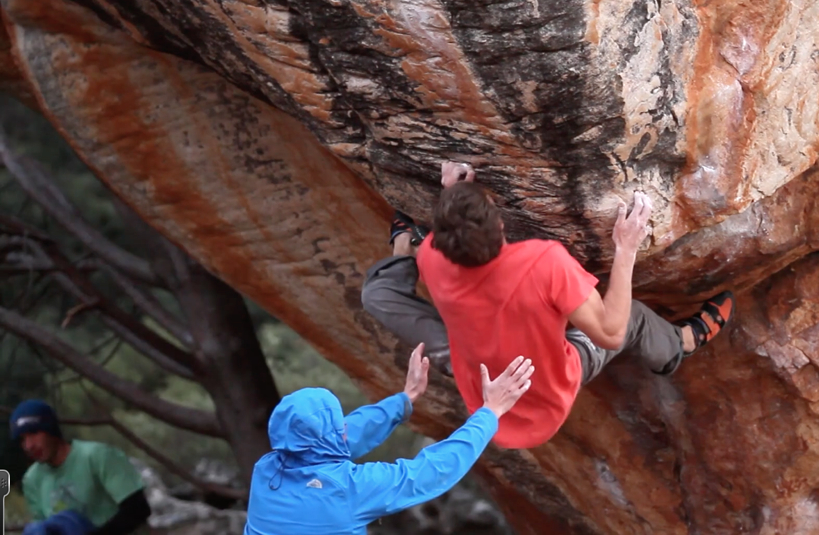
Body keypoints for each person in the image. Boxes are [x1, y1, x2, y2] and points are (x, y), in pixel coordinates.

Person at [362, 162, 736, 449]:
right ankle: (679, 344)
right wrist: (626, 249)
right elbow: (610, 333)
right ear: (501, 229)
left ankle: (402, 247)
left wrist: (453, 196)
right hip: (541, 397)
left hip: (482, 386)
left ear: (438, 239)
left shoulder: (431, 258)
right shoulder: (543, 264)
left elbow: (449, 236)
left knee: (377, 295)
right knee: (631, 318)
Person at [242, 342, 534, 535]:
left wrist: (404, 401)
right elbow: (430, 471)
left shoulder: (267, 470)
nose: (345, 428)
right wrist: (490, 412)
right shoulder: (350, 490)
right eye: (338, 424)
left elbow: (338, 438)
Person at [9, 399, 152, 535]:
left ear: (51, 430)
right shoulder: (32, 479)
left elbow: (138, 510)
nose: (29, 446)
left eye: (34, 433)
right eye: (22, 440)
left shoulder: (97, 456)